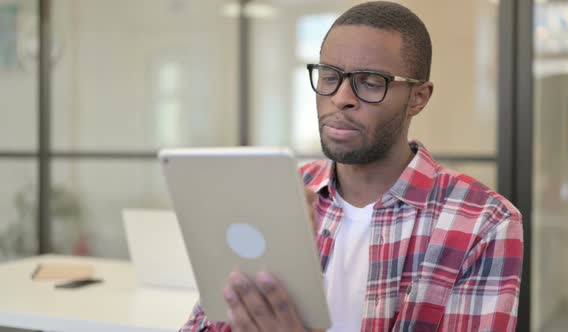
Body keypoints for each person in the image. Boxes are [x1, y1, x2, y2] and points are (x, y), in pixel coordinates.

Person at [180, 1, 523, 331]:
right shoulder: (280, 193)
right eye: (329, 76)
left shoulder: (483, 222)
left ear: (418, 98)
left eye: (370, 82)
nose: (341, 97)